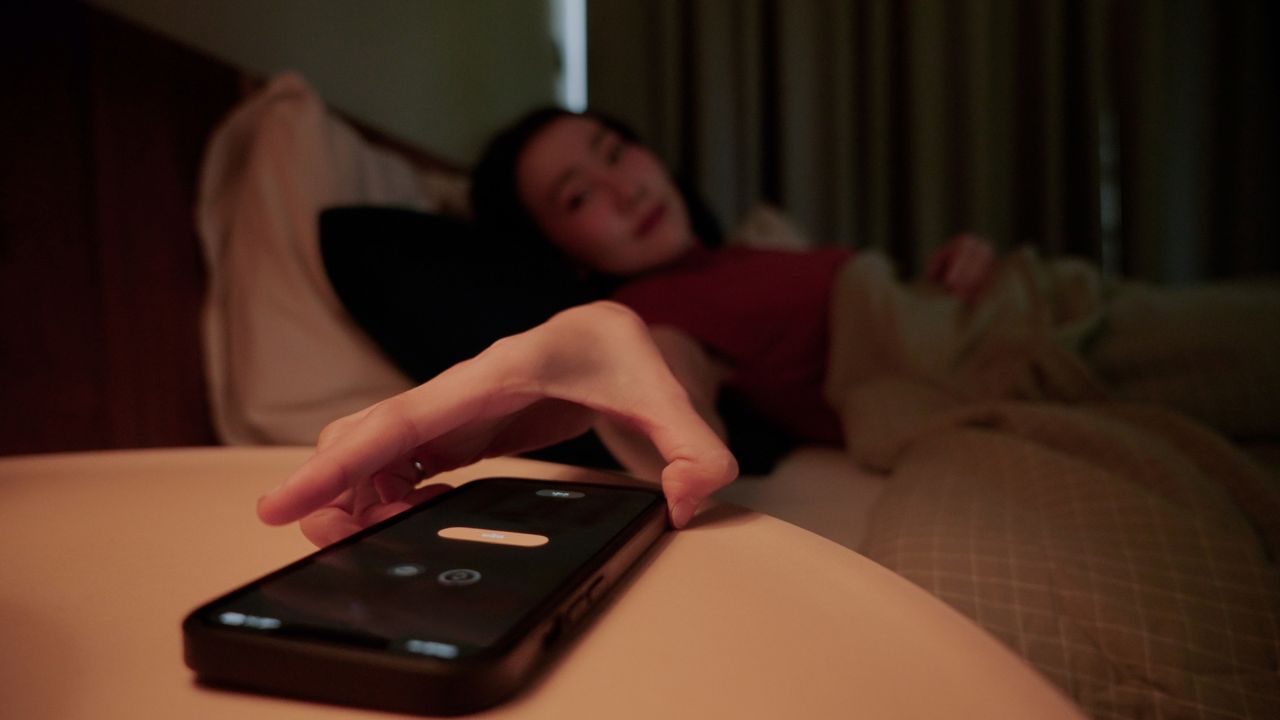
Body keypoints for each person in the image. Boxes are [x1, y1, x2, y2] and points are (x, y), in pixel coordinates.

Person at [263, 107, 995, 546]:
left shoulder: (747, 251)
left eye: (614, 153)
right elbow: (664, 386)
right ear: (557, 251)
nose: (622, 187)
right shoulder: (663, 311)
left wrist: (958, 265)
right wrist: (593, 345)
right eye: (579, 196)